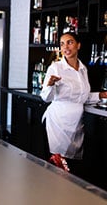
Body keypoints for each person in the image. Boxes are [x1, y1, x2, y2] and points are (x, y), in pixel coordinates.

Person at [40, 32, 107, 176]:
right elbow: (45, 97)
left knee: (73, 168)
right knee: (58, 166)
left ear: (78, 45)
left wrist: (101, 95)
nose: (65, 47)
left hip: (77, 123)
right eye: (62, 44)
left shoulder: (83, 69)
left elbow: (82, 97)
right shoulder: (56, 68)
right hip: (58, 123)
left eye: (70, 42)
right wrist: (50, 85)